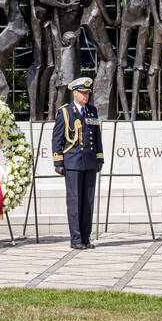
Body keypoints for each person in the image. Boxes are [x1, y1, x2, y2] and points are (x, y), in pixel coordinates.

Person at [52, 77, 104, 250]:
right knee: (75, 202)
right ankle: (76, 239)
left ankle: (86, 238)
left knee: (88, 202)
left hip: (89, 161)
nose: (85, 96)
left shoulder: (92, 111)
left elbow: (96, 136)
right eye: (82, 93)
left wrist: (99, 158)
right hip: (73, 161)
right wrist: (58, 161)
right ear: (75, 93)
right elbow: (57, 138)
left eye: (87, 93)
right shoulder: (66, 112)